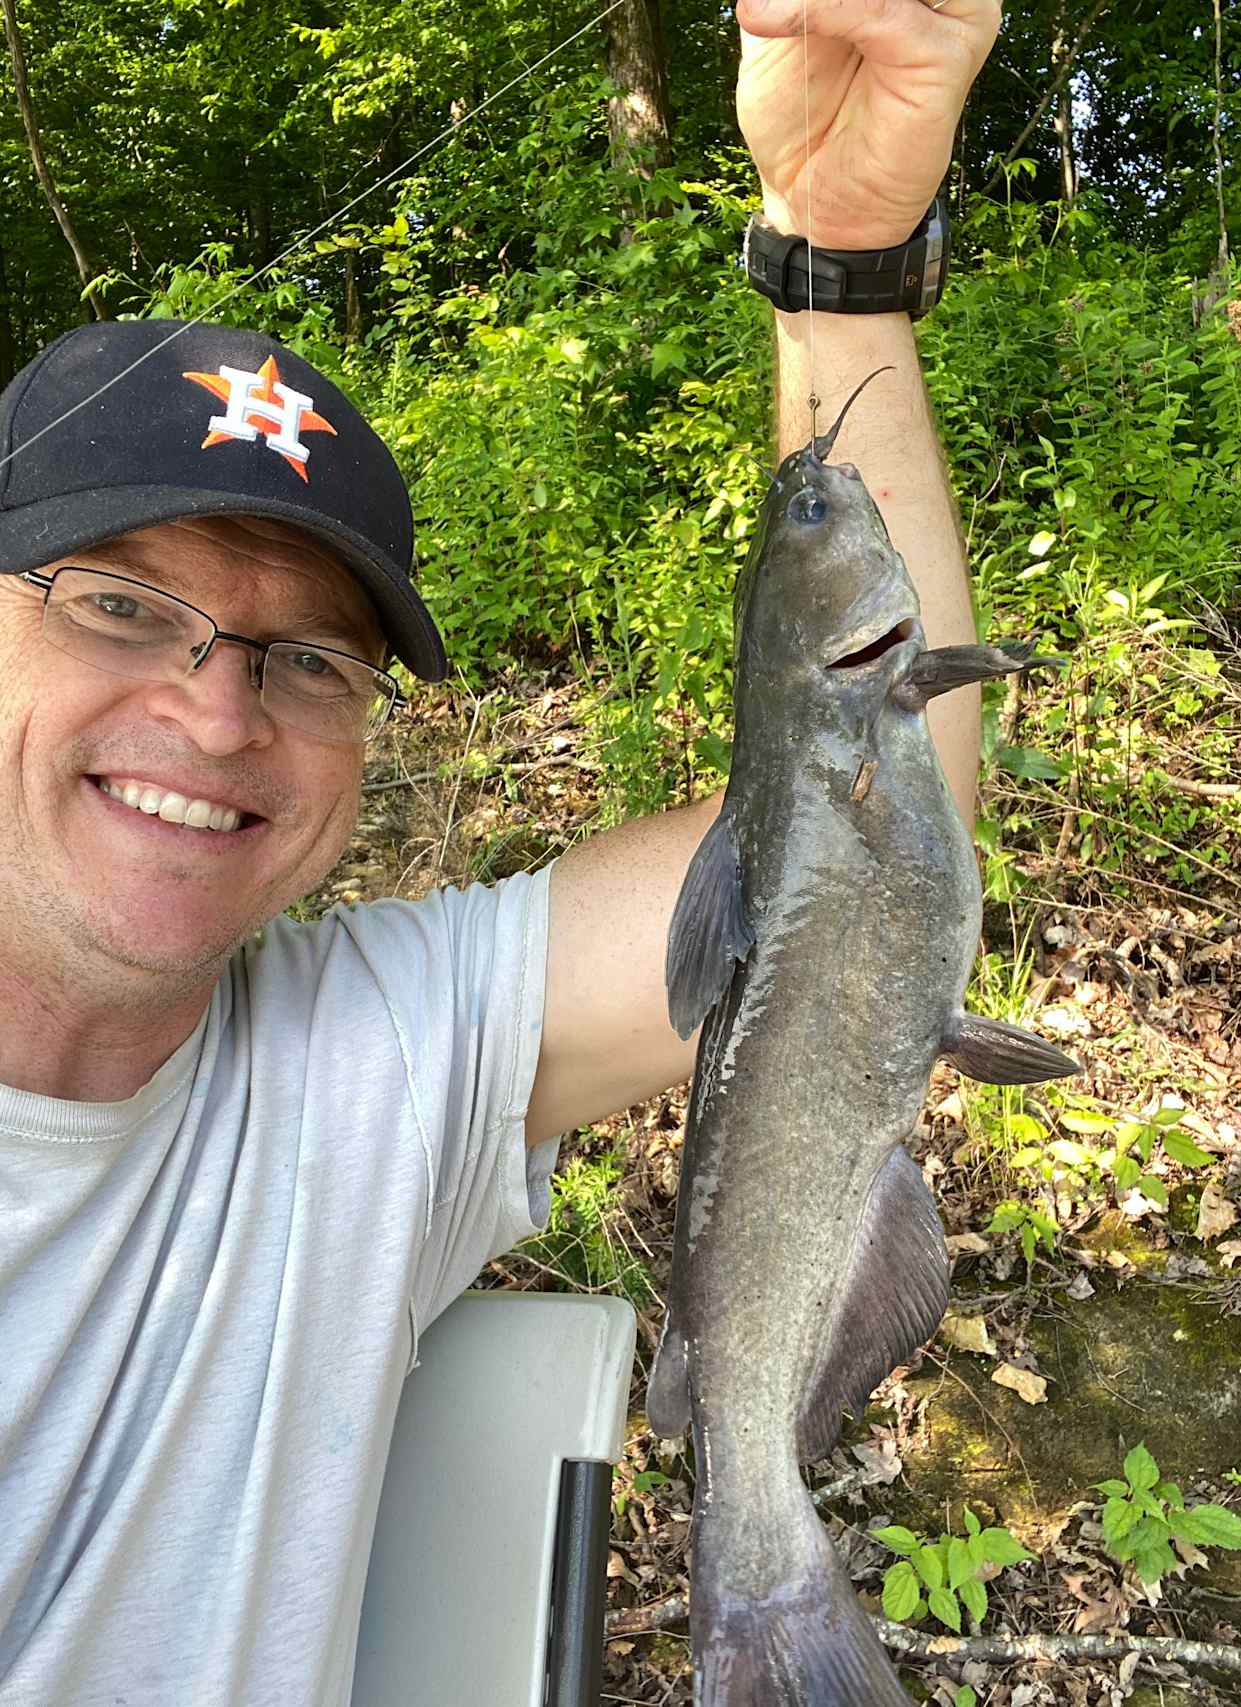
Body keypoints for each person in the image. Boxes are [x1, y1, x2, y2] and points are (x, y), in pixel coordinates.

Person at [0, 1, 1000, 1701]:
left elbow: (873, 857)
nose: (219, 713)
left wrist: (843, 259)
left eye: (310, 658)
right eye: (116, 603)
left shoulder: (364, 1059)